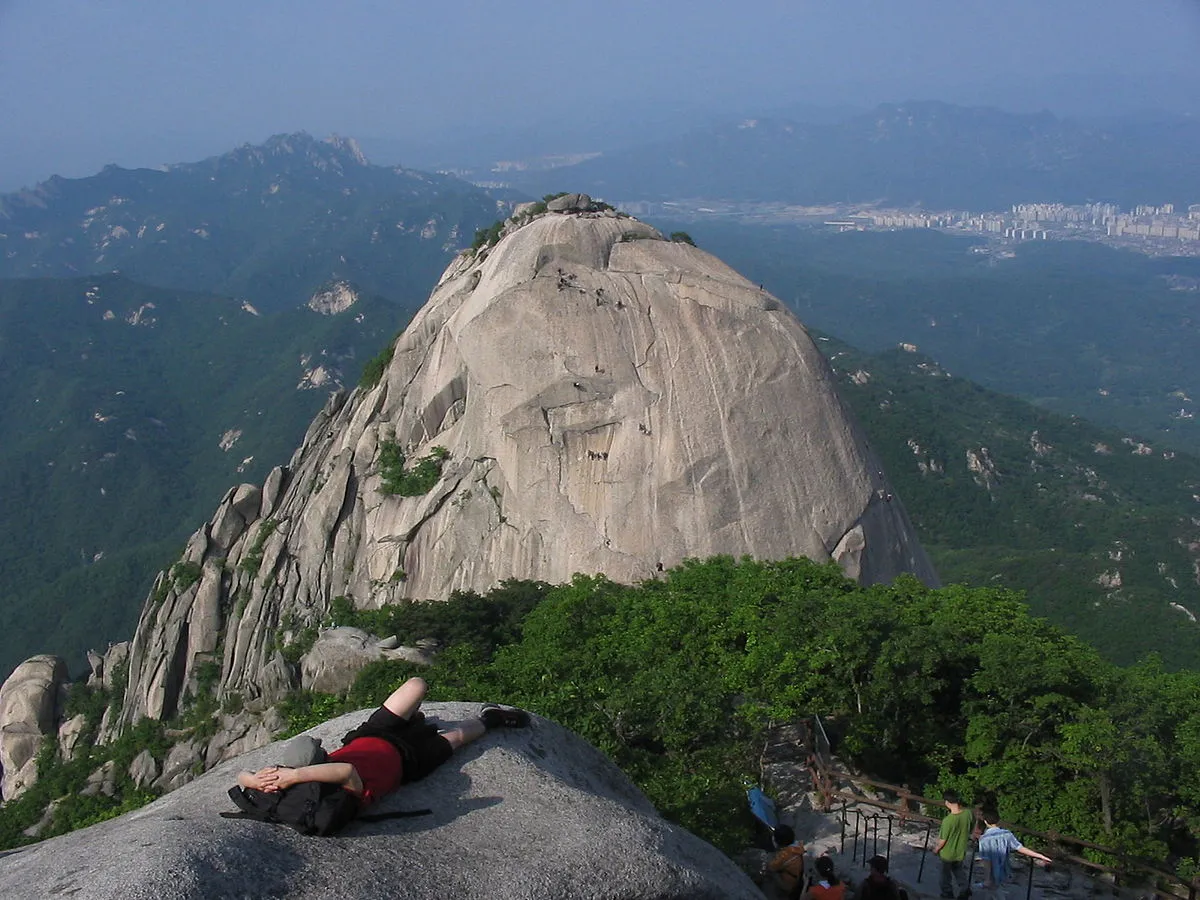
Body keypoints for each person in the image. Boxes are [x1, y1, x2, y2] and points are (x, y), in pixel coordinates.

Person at [235, 676, 529, 810]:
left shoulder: (288, 777)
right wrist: (297, 775)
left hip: (370, 736)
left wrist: (256, 779)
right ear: (321, 758)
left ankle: (413, 722)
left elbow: (239, 777)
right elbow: (347, 772)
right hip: (409, 762)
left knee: (416, 685)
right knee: (460, 737)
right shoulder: (332, 794)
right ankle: (493, 718)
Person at [977, 808, 1051, 900]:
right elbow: (1020, 848)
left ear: (985, 821)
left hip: (993, 873)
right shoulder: (1007, 834)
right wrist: (1040, 855)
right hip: (1004, 870)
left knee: (996, 895)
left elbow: (986, 860)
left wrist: (987, 879)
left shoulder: (984, 839)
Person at [931, 790, 973, 900]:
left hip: (947, 853)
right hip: (960, 850)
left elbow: (943, 840)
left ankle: (947, 893)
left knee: (945, 875)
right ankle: (965, 889)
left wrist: (936, 849)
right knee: (959, 871)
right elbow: (971, 827)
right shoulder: (968, 813)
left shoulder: (948, 820)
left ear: (947, 802)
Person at [766, 824, 806, 899]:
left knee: (770, 872)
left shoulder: (785, 855)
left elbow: (771, 867)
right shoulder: (798, 846)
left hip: (789, 884)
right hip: (798, 879)